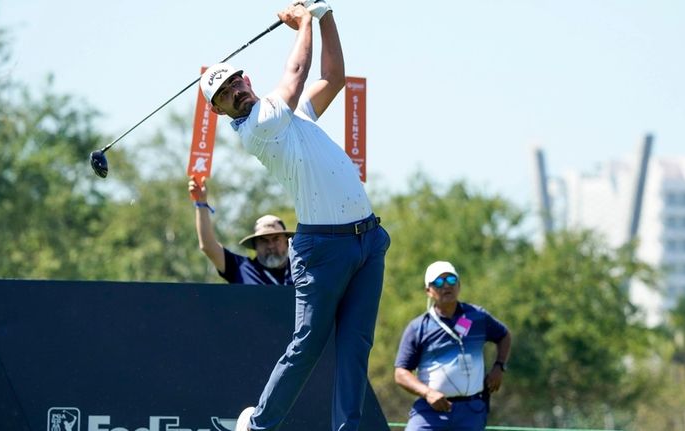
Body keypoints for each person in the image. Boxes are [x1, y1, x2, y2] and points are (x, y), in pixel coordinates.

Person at [199, 1, 390, 430]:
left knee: (356, 345)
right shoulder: (259, 125)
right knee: (307, 343)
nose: (235, 92)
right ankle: (259, 425)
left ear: (246, 78)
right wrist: (304, 23)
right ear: (220, 111)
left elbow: (332, 78)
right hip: (323, 248)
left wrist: (325, 16)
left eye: (235, 83)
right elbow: (295, 75)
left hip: (368, 239)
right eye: (224, 95)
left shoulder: (289, 116)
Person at [394, 261, 512, 431]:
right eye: (439, 282)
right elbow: (400, 373)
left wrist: (499, 366)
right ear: (428, 291)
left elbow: (504, 336)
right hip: (431, 411)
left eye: (451, 279)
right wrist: (428, 393)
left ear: (459, 285)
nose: (446, 286)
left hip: (471, 410)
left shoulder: (477, 316)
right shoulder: (418, 327)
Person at [189, 176, 293, 285]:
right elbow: (208, 246)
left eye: (276, 239)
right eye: (264, 240)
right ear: (255, 245)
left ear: (287, 242)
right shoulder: (240, 268)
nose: (270, 246)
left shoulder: (302, 271)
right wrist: (201, 203)